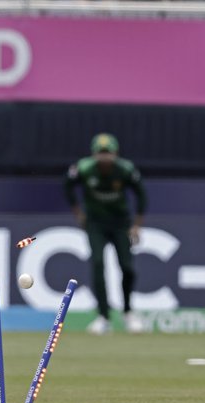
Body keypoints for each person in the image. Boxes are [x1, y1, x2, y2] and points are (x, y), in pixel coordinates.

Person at [64, 133, 147, 335]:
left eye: (108, 153)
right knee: (98, 263)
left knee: (127, 267)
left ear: (115, 153)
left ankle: (128, 312)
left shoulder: (125, 170)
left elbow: (141, 195)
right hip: (96, 224)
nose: (104, 158)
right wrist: (78, 213)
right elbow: (67, 186)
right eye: (100, 153)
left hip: (120, 223)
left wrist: (136, 225)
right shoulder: (84, 168)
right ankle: (103, 316)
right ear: (94, 154)